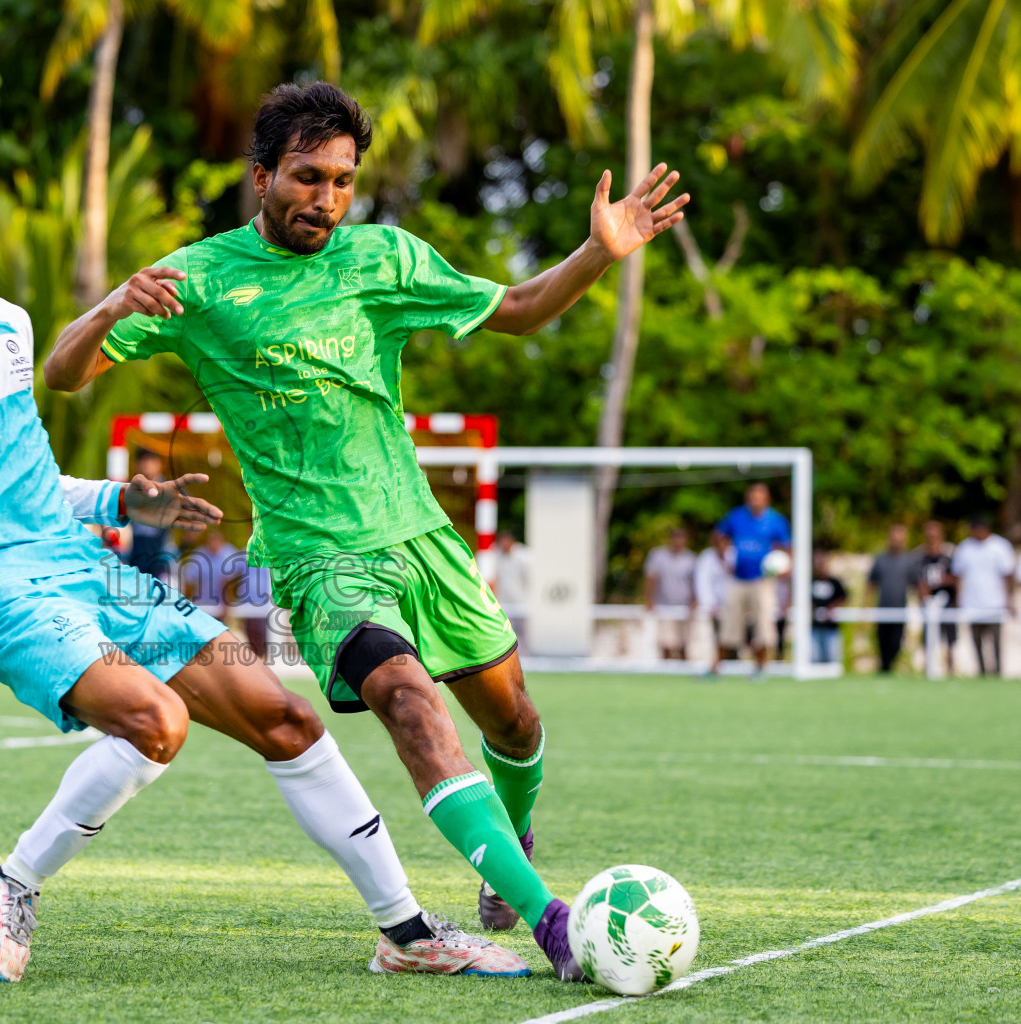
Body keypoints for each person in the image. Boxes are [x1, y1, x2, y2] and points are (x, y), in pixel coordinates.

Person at [0, 143, 525, 985]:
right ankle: (8, 884)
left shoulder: (6, 323)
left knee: (284, 719)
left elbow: (31, 481)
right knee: (156, 719)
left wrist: (121, 502)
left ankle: (407, 933)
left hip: (79, 563)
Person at [45, 81, 689, 980]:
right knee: (408, 700)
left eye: (343, 181)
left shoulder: (385, 257)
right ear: (262, 177)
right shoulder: (199, 279)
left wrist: (595, 251)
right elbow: (63, 373)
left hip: (420, 537)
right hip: (318, 560)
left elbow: (516, 311)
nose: (327, 199)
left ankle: (509, 847)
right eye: (308, 177)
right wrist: (113, 306)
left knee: (516, 724)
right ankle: (553, 924)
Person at [715, 484, 791, 677]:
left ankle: (761, 667)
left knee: (763, 624)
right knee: (729, 622)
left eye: (759, 497)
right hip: (738, 578)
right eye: (752, 497)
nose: (755, 501)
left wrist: (786, 567)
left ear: (767, 499)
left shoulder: (775, 520)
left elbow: (787, 547)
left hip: (762, 580)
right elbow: (719, 536)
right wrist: (724, 557)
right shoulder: (736, 516)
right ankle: (716, 666)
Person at [950, 517, 1014, 676]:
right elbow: (958, 576)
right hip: (972, 604)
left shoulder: (1000, 546)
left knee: (996, 641)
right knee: (977, 641)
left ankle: (997, 672)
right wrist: (959, 599)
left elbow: (1008, 575)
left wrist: (1009, 600)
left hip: (995, 604)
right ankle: (982, 672)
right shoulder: (965, 548)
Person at [865, 524, 918, 673]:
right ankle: (884, 668)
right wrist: (866, 605)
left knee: (896, 644)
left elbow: (916, 584)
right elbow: (871, 583)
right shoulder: (880, 559)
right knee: (882, 643)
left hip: (900, 611)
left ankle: (888, 667)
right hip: (882, 610)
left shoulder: (908, 561)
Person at [643, 528, 696, 661]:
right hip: (663, 605)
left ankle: (683, 668)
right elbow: (651, 578)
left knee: (683, 643)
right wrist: (649, 600)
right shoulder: (658, 556)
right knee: (665, 642)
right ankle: (665, 668)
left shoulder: (690, 558)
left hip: (684, 606)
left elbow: (694, 582)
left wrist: (694, 601)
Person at [123, 449, 176, 582]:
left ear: (159, 464)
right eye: (142, 461)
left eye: (150, 460)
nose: (146, 465)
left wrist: (182, 547)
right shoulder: (131, 490)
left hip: (161, 558)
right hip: (136, 555)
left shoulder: (170, 490)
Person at [915, 520, 957, 673]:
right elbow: (918, 581)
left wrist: (944, 581)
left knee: (950, 637)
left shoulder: (950, 553)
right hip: (929, 603)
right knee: (928, 635)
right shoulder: (919, 556)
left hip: (948, 601)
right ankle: (929, 666)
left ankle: (950, 667)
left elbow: (958, 577)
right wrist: (923, 597)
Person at [695, 530, 733, 673]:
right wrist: (709, 605)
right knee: (713, 638)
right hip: (713, 607)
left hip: (734, 606)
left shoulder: (734, 555)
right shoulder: (707, 557)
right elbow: (702, 582)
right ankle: (714, 665)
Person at [180, 529, 241, 615]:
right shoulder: (198, 555)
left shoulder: (229, 552)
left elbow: (228, 582)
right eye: (211, 541)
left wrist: (227, 604)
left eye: (216, 541)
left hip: (222, 605)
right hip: (201, 603)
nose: (214, 544)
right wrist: (186, 603)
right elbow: (189, 582)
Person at [489, 530, 532, 645]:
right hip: (503, 603)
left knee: (523, 635)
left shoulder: (523, 556)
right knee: (507, 636)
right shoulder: (496, 555)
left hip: (522, 603)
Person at [809, 548, 847, 665]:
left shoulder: (834, 582)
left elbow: (844, 597)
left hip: (831, 628)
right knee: (814, 659)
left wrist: (831, 609)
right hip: (814, 627)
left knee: (832, 660)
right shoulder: (810, 581)